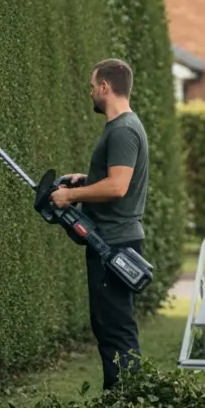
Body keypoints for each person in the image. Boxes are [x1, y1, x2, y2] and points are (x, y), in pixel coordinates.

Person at [49, 58, 150, 390]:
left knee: (115, 329)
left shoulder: (122, 130)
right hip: (111, 241)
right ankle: (123, 404)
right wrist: (85, 178)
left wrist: (71, 195)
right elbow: (111, 179)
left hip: (114, 245)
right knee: (109, 325)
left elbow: (118, 187)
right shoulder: (123, 128)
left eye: (93, 86)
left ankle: (125, 407)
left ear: (105, 87)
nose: (91, 92)